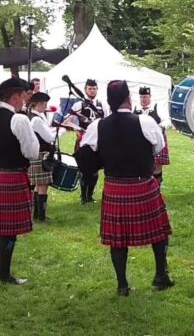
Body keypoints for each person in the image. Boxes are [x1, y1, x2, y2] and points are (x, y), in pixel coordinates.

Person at [75, 80, 173, 296]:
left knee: (117, 238)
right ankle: (160, 275)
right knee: (158, 232)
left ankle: (122, 285)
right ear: (129, 99)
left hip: (115, 187)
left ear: (108, 100)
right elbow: (159, 147)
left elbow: (84, 153)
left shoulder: (97, 126)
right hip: (143, 184)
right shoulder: (145, 122)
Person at [0, 78, 40, 285]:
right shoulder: (19, 120)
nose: (24, 101)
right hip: (13, 177)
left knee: (0, 229)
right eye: (24, 97)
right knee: (9, 230)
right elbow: (31, 152)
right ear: (15, 96)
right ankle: (4, 275)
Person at [68, 79, 106, 204]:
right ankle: (83, 197)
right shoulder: (79, 105)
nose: (92, 91)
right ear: (85, 90)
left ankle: (90, 196)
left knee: (95, 170)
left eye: (94, 88)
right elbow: (68, 121)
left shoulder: (102, 104)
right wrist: (77, 129)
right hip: (84, 141)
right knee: (85, 170)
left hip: (98, 142)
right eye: (90, 88)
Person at [27, 92, 56, 222]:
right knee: (43, 184)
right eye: (44, 104)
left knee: (39, 185)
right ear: (38, 104)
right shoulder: (37, 119)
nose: (45, 107)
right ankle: (41, 216)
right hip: (41, 154)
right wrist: (61, 131)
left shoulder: (34, 116)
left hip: (37, 153)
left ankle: (37, 214)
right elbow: (49, 137)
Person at [133, 87, 170, 186]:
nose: (143, 99)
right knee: (141, 165)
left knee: (157, 165)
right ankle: (144, 187)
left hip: (156, 140)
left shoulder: (157, 107)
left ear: (150, 97)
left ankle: (157, 188)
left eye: (145, 97)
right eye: (141, 97)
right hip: (140, 141)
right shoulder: (135, 109)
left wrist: (161, 127)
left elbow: (167, 120)